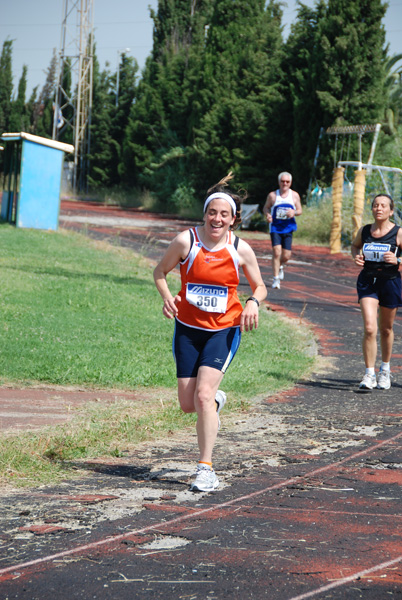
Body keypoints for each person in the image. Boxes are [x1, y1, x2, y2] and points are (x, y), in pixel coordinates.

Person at [153, 174, 267, 492]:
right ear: (205, 214)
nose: (217, 219)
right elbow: (159, 272)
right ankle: (215, 402)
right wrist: (167, 297)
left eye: (224, 214)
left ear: (233, 219)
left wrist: (253, 302)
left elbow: (260, 285)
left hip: (224, 330)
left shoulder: (240, 249)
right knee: (189, 405)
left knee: (201, 396)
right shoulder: (185, 242)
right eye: (212, 212)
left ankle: (206, 469)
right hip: (187, 330)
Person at [351, 193, 402, 390]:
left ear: (390, 211)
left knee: (386, 329)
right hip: (368, 281)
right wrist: (356, 257)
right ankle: (369, 374)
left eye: (383, 206)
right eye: (375, 205)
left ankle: (385, 370)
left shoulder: (397, 233)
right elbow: (355, 247)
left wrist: (397, 260)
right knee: (370, 328)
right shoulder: (364, 231)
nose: (378, 208)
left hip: (390, 282)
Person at [263, 171, 302, 289]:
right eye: (282, 181)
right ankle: (275, 279)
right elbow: (266, 208)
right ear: (279, 182)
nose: (285, 183)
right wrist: (268, 215)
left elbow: (300, 210)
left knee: (286, 256)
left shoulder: (294, 195)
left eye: (287, 182)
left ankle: (280, 266)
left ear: (290, 183)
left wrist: (293, 212)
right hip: (275, 227)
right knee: (276, 252)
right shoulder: (273, 195)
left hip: (288, 228)